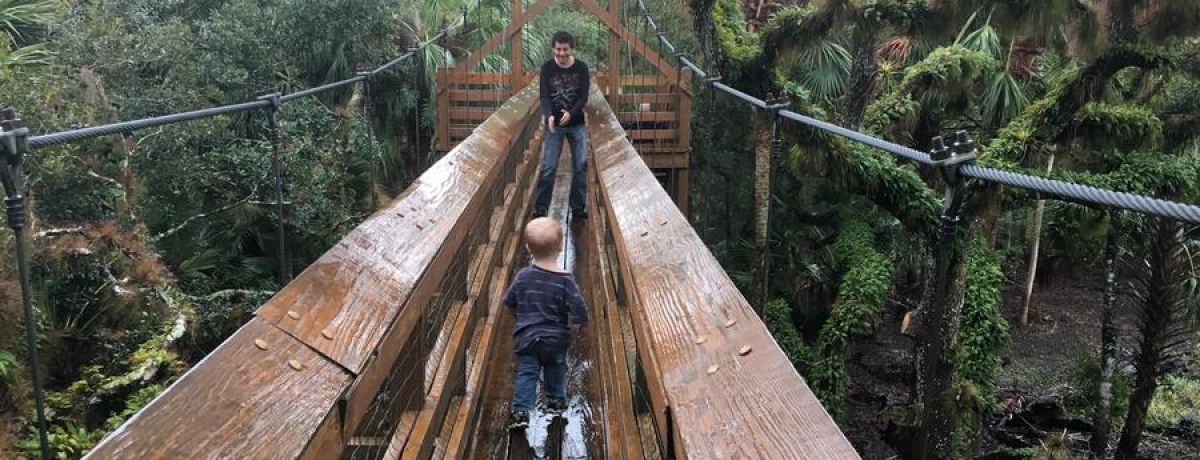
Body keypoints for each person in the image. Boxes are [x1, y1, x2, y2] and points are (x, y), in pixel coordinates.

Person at [504, 217, 589, 429]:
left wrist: (520, 318)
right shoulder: (566, 280)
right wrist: (582, 323)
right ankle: (556, 401)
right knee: (556, 367)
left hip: (527, 337)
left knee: (527, 372)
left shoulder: (523, 276)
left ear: (527, 248)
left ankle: (520, 412)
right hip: (556, 338)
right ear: (560, 246)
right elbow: (577, 306)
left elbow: (510, 302)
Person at [535, 30, 591, 220]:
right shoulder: (547, 68)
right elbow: (544, 95)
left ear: (571, 49)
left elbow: (583, 97)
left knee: (581, 164)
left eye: (565, 49)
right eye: (558, 49)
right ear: (553, 49)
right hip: (554, 125)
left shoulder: (582, 68)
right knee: (549, 166)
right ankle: (541, 208)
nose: (562, 53)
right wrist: (549, 115)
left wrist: (571, 113)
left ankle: (578, 208)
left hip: (576, 123)